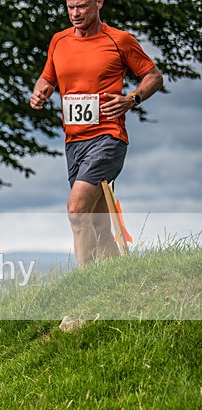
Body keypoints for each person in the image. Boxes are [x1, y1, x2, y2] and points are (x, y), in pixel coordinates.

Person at [30, 0, 163, 266]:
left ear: (98, 3)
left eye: (81, 7)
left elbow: (153, 76)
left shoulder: (120, 40)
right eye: (70, 7)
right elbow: (47, 78)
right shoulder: (59, 41)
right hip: (74, 142)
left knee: (76, 211)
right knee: (98, 224)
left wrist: (132, 99)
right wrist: (40, 91)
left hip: (109, 137)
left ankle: (83, 286)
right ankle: (119, 278)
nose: (75, 14)